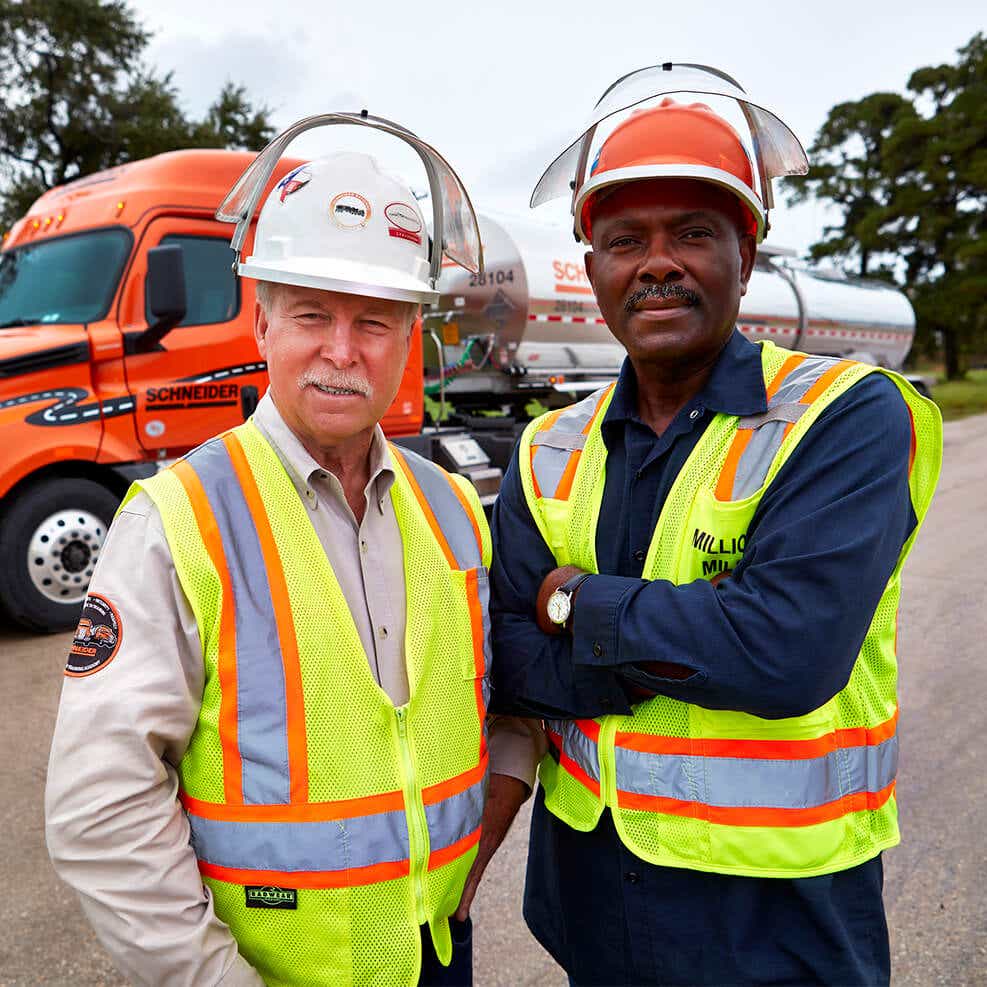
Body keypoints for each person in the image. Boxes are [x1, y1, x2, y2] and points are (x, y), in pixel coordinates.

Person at [46, 116, 541, 987]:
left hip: (436, 956)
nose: (341, 352)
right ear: (262, 323)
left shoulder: (455, 508)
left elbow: (507, 701)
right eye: (312, 313)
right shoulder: (179, 518)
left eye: (376, 321)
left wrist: (494, 808)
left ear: (411, 342)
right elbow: (101, 806)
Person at [490, 65, 942, 985]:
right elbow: (506, 653)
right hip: (593, 908)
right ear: (593, 268)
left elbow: (787, 656)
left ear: (746, 252)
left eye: (692, 233)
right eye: (625, 240)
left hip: (780, 917)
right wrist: (690, 633)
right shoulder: (547, 446)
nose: (656, 261)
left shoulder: (845, 415)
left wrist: (578, 608)